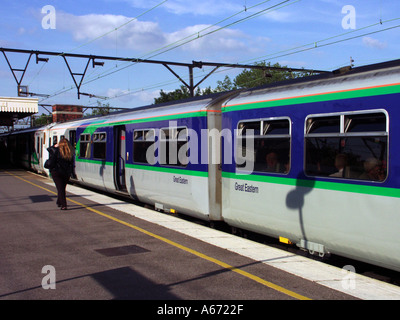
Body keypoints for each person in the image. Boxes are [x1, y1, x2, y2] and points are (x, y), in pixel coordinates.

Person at [46, 138, 74, 210]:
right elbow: (71, 163)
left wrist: (54, 146)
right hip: (66, 173)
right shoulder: (70, 152)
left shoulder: (57, 151)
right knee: (62, 188)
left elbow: (49, 150)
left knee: (60, 189)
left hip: (56, 172)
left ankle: (64, 205)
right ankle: (59, 202)